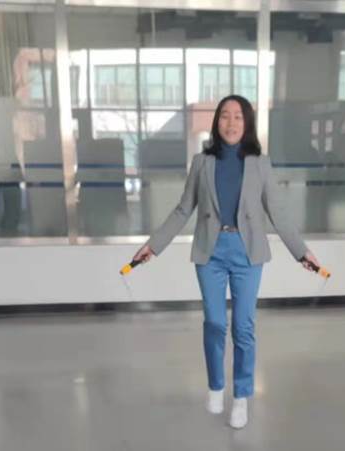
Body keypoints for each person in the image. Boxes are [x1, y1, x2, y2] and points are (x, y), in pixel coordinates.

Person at [132, 94, 321, 429]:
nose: (231, 123)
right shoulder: (201, 162)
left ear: (246, 123)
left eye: (238, 117)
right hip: (211, 251)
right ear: (216, 121)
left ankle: (242, 395)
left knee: (243, 327)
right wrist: (153, 245)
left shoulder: (260, 164)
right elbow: (183, 209)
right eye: (224, 116)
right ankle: (216, 385)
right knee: (215, 323)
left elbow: (277, 211)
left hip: (248, 252)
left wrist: (301, 251)